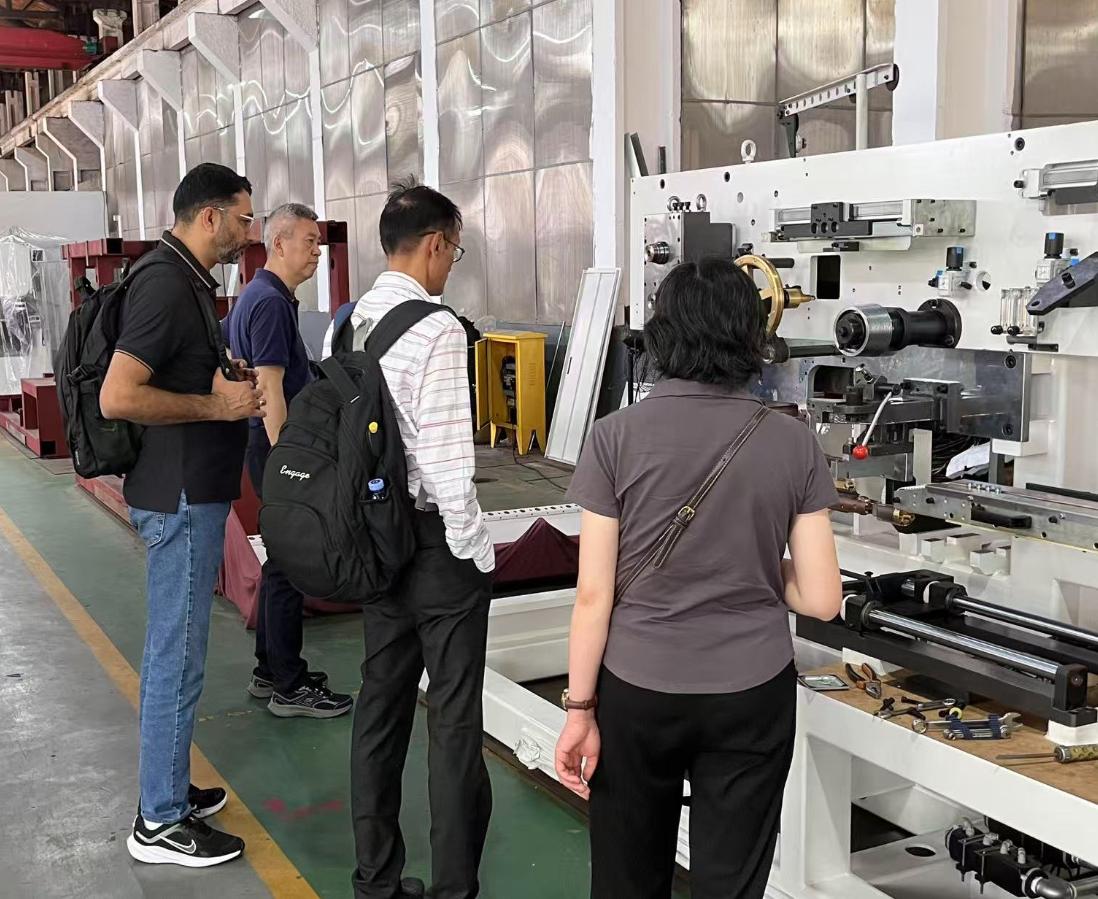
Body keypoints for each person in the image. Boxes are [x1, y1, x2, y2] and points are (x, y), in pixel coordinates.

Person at [553, 258, 843, 899]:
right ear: (752, 337)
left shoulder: (613, 437)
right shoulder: (792, 441)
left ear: (664, 335)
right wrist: (752, 564)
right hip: (752, 692)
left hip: (639, 687)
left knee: (628, 880)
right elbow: (823, 599)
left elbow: (594, 596)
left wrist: (579, 710)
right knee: (730, 883)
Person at [327, 179, 495, 899]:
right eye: (454, 249)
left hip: (374, 543)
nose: (452, 262)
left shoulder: (347, 325)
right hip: (434, 547)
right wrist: (475, 547)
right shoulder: (438, 329)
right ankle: (455, 888)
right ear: (433, 244)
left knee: (381, 706)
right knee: (453, 722)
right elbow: (448, 465)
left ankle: (376, 880)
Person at [100, 163, 264, 868]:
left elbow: (173, 374)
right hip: (179, 498)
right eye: (244, 218)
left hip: (190, 492)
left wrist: (222, 382)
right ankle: (159, 820)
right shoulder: (167, 284)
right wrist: (216, 407)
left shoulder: (188, 279)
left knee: (178, 651)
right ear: (210, 216)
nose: (248, 230)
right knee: (177, 654)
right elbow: (117, 395)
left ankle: (168, 787)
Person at [225, 202, 353, 719]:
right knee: (289, 563)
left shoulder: (258, 296)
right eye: (309, 241)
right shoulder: (272, 303)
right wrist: (288, 465)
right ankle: (288, 684)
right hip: (275, 449)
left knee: (280, 556)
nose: (317, 252)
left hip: (264, 447)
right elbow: (270, 388)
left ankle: (269, 669)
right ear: (278, 243)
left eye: (319, 243)